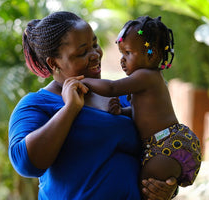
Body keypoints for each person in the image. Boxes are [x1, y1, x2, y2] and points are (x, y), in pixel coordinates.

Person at [8, 11, 178, 200]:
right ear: (53, 62)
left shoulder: (122, 96)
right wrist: (70, 109)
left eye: (95, 45)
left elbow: (160, 142)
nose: (95, 54)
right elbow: (26, 164)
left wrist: (164, 186)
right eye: (82, 52)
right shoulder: (36, 105)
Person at [81, 16, 202, 198]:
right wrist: (122, 112)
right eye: (121, 53)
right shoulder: (148, 80)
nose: (122, 60)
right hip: (168, 142)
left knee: (145, 191)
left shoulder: (145, 76)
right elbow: (143, 113)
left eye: (128, 53)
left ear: (151, 55)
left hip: (165, 144)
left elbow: (112, 88)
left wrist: (83, 81)